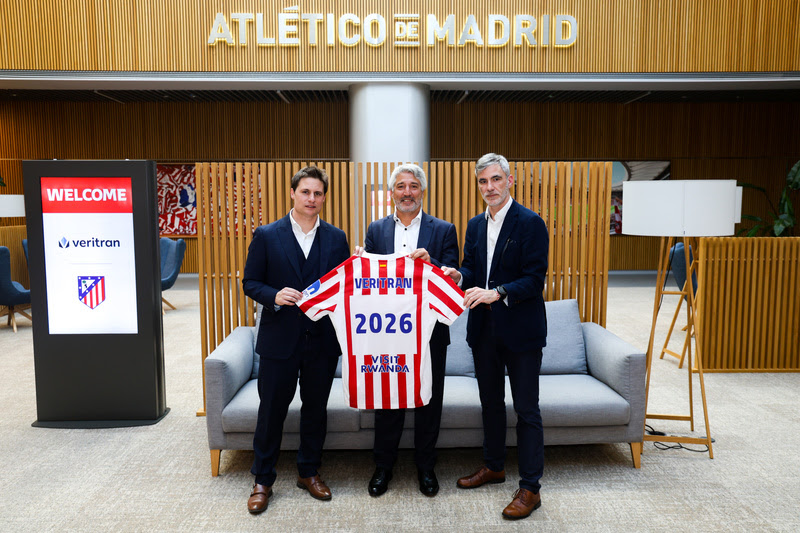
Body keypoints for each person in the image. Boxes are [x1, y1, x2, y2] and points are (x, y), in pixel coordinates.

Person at [442, 153, 549, 520]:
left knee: (526, 410)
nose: (489, 187)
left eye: (496, 179)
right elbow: (473, 268)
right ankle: (494, 466)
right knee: (490, 403)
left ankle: (531, 488)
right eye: (483, 181)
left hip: (521, 331)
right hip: (483, 330)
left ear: (509, 180)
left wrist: (498, 292)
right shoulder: (474, 225)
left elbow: (534, 279)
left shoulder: (531, 223)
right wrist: (459, 276)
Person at [242, 166, 350, 514]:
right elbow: (250, 282)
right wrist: (273, 295)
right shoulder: (267, 235)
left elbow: (343, 286)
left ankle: (308, 472)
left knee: (315, 411)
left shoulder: (336, 238)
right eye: (305, 192)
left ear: (324, 197)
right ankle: (262, 480)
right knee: (271, 412)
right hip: (279, 340)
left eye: (318, 193)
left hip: (321, 341)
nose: (311, 199)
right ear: (292, 193)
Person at [354, 163, 459, 498]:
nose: (407, 192)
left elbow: (454, 281)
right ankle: (383, 466)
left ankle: (426, 467)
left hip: (430, 333)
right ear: (391, 193)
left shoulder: (444, 230)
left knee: (429, 401)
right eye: (400, 186)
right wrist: (360, 263)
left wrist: (433, 266)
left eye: (413, 186)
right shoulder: (376, 229)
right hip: (388, 333)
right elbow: (368, 284)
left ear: (422, 191)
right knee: (388, 400)